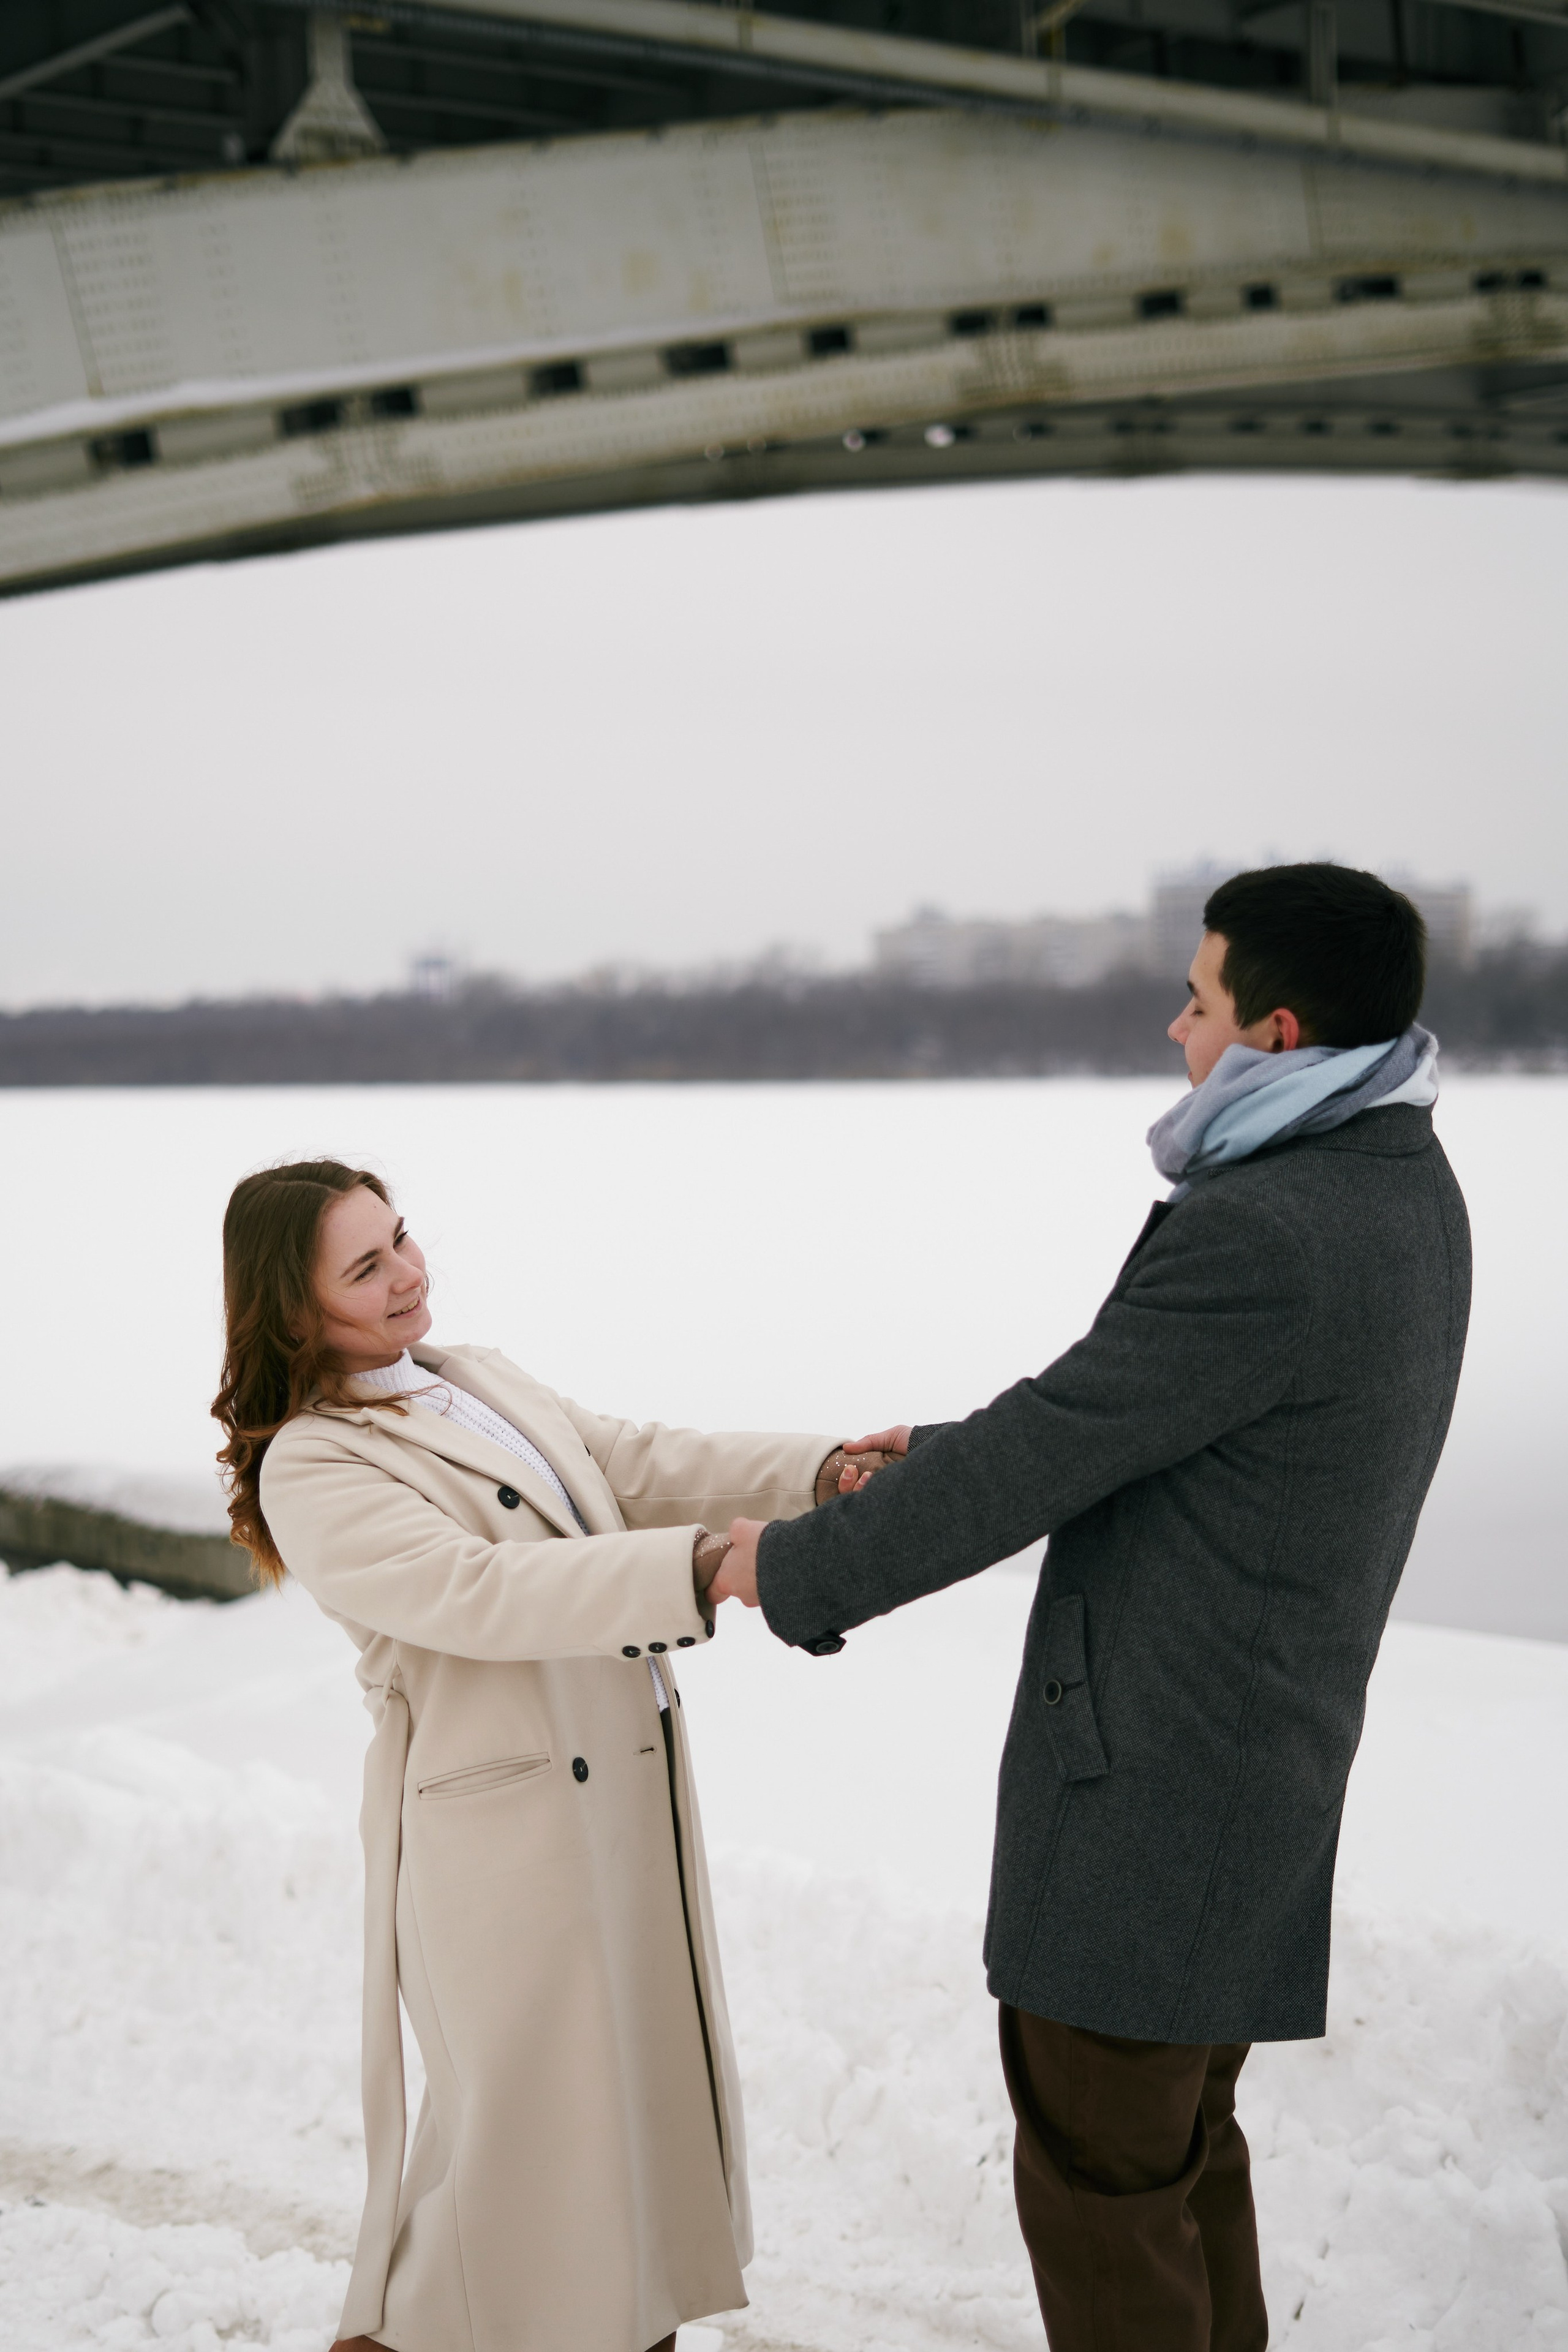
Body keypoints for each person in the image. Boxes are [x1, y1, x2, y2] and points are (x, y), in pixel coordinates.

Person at [714, 863, 1471, 2352]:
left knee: (1103, 2197)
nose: (1171, 1027)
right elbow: (1162, 1418)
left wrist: (789, 1566)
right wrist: (936, 1453)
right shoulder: (1395, 1181)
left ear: (1274, 1030)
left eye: (1195, 1001)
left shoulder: (1268, 1229)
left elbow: (1064, 1438)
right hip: (1248, 1775)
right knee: (1172, 2167)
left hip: (1156, 1796)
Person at [211, 1158, 888, 2352]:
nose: (407, 1272)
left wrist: (817, 1473)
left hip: (612, 1805)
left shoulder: (471, 1377)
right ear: (293, 1313)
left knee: (615, 2154)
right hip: (504, 1843)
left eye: (401, 1237)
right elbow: (478, 1591)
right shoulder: (313, 1462)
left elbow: (633, 1462)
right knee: (518, 2175)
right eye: (364, 1268)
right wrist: (699, 1569)